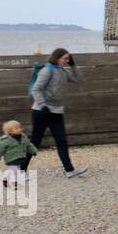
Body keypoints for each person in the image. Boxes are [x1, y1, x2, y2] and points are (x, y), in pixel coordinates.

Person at [30, 48, 89, 178]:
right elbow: (36, 89)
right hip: (41, 112)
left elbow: (79, 80)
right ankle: (20, 170)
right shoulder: (47, 70)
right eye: (65, 58)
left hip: (56, 111)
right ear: (57, 58)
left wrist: (73, 65)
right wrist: (43, 105)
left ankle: (69, 170)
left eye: (68, 59)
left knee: (62, 141)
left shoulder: (62, 71)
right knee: (35, 142)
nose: (67, 61)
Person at [0, 119, 38, 186]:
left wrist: (33, 150)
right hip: (11, 158)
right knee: (14, 170)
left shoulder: (23, 137)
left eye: (19, 127)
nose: (19, 129)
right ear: (10, 131)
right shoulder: (5, 141)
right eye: (16, 129)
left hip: (20, 157)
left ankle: (5, 179)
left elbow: (28, 145)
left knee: (13, 170)